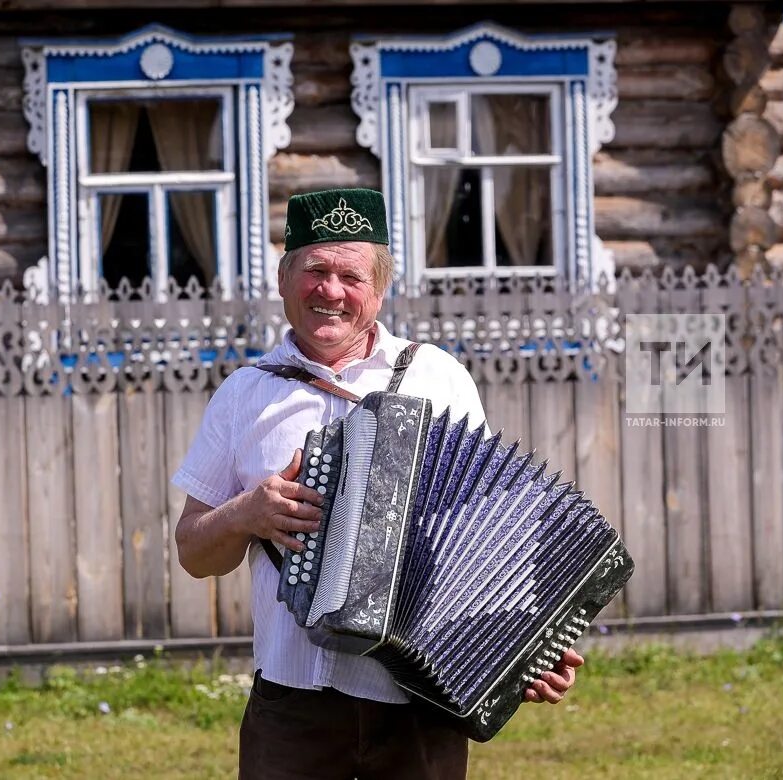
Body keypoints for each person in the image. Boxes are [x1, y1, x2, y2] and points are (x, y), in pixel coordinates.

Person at [171, 188, 583, 779]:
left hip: (418, 701)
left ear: (380, 289)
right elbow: (193, 553)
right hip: (293, 705)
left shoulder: (438, 376)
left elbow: (487, 541)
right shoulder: (244, 394)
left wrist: (524, 648)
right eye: (314, 269)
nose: (330, 291)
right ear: (285, 280)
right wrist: (243, 515)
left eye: (350, 275)